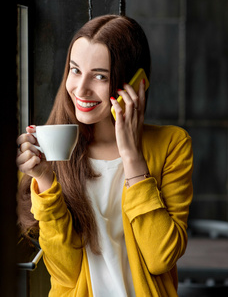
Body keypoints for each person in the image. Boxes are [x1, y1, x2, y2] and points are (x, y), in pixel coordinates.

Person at [16, 15, 193, 297]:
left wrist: (133, 158)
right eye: (75, 70)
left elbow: (161, 257)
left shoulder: (171, 144)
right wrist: (46, 181)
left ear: (136, 83)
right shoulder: (50, 150)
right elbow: (65, 271)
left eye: (100, 76)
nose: (81, 88)